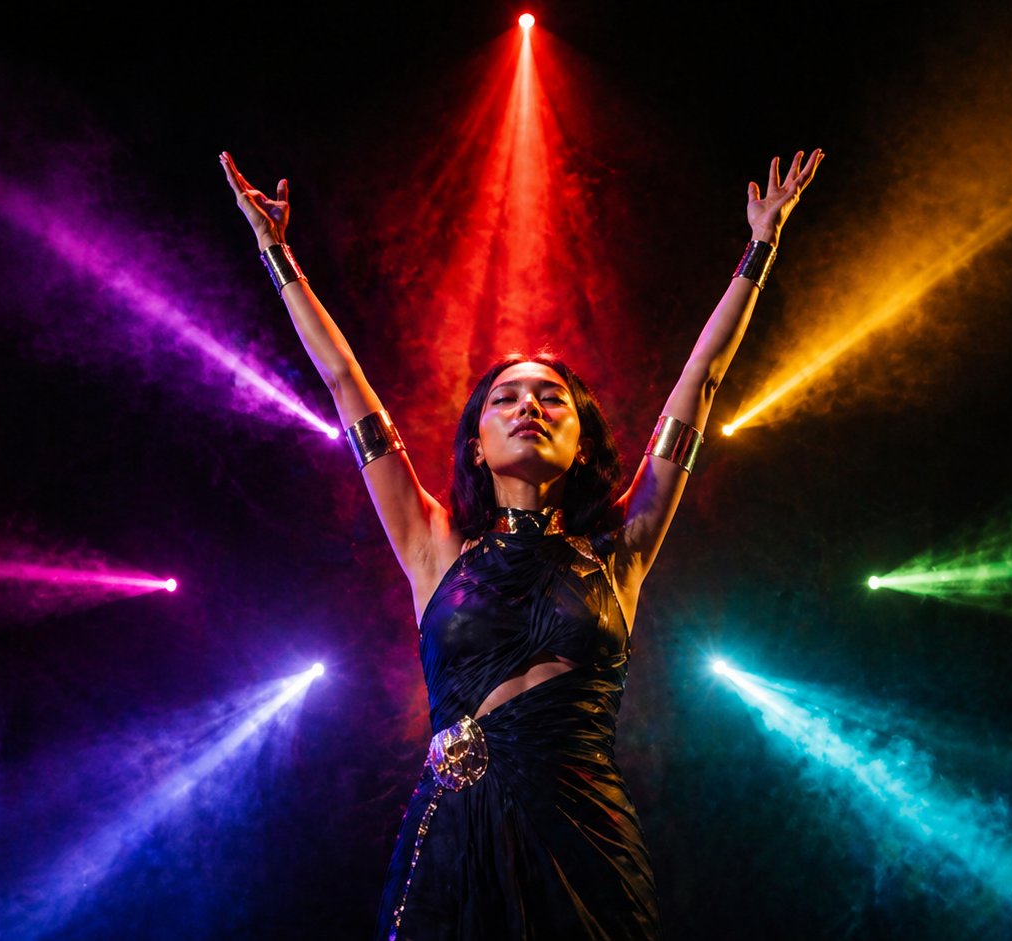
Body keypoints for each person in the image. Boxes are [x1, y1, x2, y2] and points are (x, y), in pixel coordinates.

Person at [220, 145, 824, 940]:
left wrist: (760, 246)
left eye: (552, 398)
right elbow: (343, 383)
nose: (529, 406)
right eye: (506, 397)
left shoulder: (623, 546)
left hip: (588, 841)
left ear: (581, 442)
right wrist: (276, 251)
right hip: (454, 843)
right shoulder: (433, 542)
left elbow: (701, 383)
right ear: (474, 440)